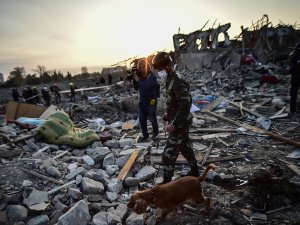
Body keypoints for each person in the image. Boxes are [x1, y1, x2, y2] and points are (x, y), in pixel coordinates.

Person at [152, 52, 199, 184]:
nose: (159, 72)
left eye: (160, 69)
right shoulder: (169, 79)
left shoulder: (177, 81)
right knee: (184, 146)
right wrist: (168, 114)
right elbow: (174, 102)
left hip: (181, 122)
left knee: (168, 153)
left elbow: (185, 104)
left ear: (168, 66)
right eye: (158, 70)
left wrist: (175, 123)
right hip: (178, 120)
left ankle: (166, 182)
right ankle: (194, 170)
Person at [133, 58, 159, 142]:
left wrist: (138, 80)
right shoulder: (141, 77)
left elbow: (146, 87)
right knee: (141, 119)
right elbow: (137, 87)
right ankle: (145, 136)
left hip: (151, 101)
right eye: (140, 67)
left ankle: (155, 133)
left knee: (152, 118)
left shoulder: (152, 77)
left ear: (147, 66)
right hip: (142, 102)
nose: (141, 68)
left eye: (143, 66)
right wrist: (135, 78)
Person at [289, 42, 300, 114]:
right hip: (296, 75)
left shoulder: (294, 54)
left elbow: (290, 62)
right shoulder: (294, 54)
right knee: (293, 94)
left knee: (293, 94)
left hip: (295, 76)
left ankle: (292, 110)